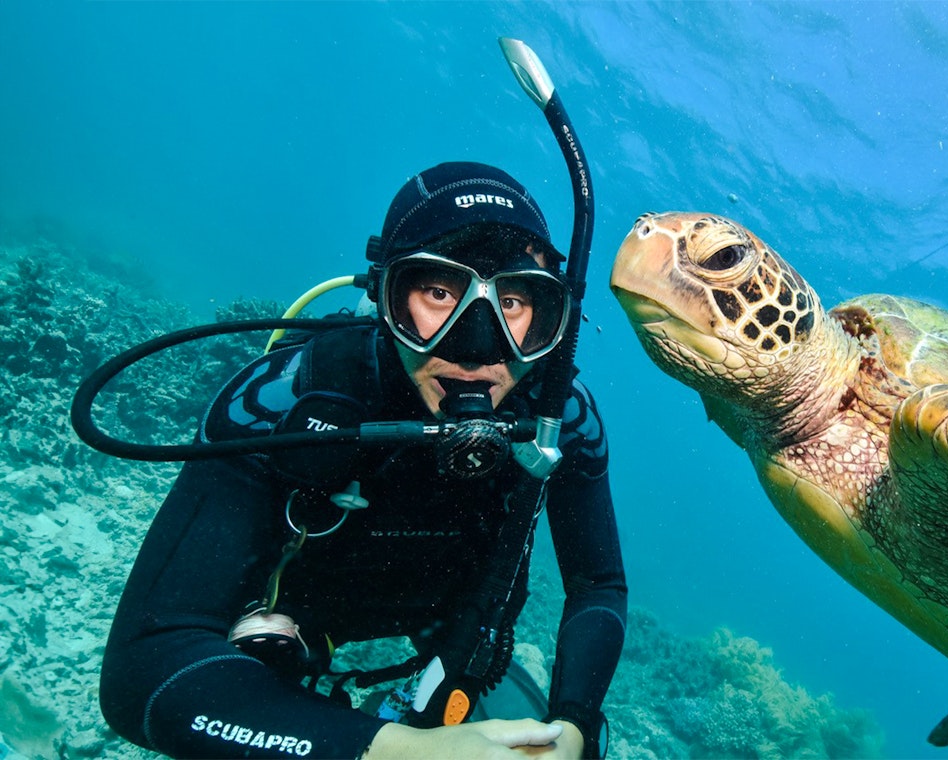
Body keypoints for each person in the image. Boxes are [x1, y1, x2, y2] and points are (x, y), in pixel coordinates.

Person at [98, 162, 628, 759]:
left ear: (547, 314)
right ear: (384, 295)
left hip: (455, 640)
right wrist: (396, 751)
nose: (477, 349)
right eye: (439, 293)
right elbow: (142, 670)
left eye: (510, 302)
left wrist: (577, 725)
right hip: (290, 636)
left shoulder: (562, 421)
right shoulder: (281, 402)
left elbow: (597, 584)